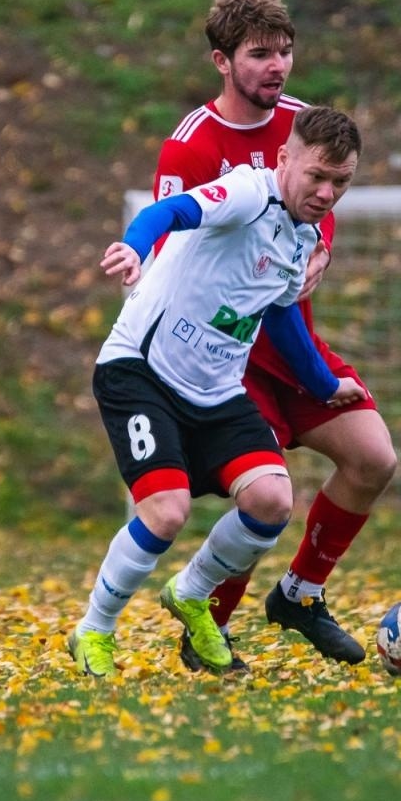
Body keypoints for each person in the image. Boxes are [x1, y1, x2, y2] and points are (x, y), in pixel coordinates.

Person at [150, 0, 397, 671]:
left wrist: (324, 243)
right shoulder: (191, 148)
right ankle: (209, 628)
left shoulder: (301, 121)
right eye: (260, 53)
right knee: (266, 491)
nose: (277, 66)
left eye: (286, 51)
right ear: (221, 62)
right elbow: (171, 258)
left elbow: (323, 194)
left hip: (296, 345)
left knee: (374, 456)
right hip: (227, 358)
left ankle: (300, 594)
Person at [70, 107, 367, 677]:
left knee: (272, 500)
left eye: (341, 182)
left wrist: (326, 386)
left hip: (215, 390)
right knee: (166, 512)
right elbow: (171, 210)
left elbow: (281, 320)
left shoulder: (301, 238)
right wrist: (135, 247)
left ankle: (192, 592)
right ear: (284, 159)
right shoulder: (245, 193)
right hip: (141, 371)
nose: (328, 192)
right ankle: (94, 629)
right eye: (317, 176)